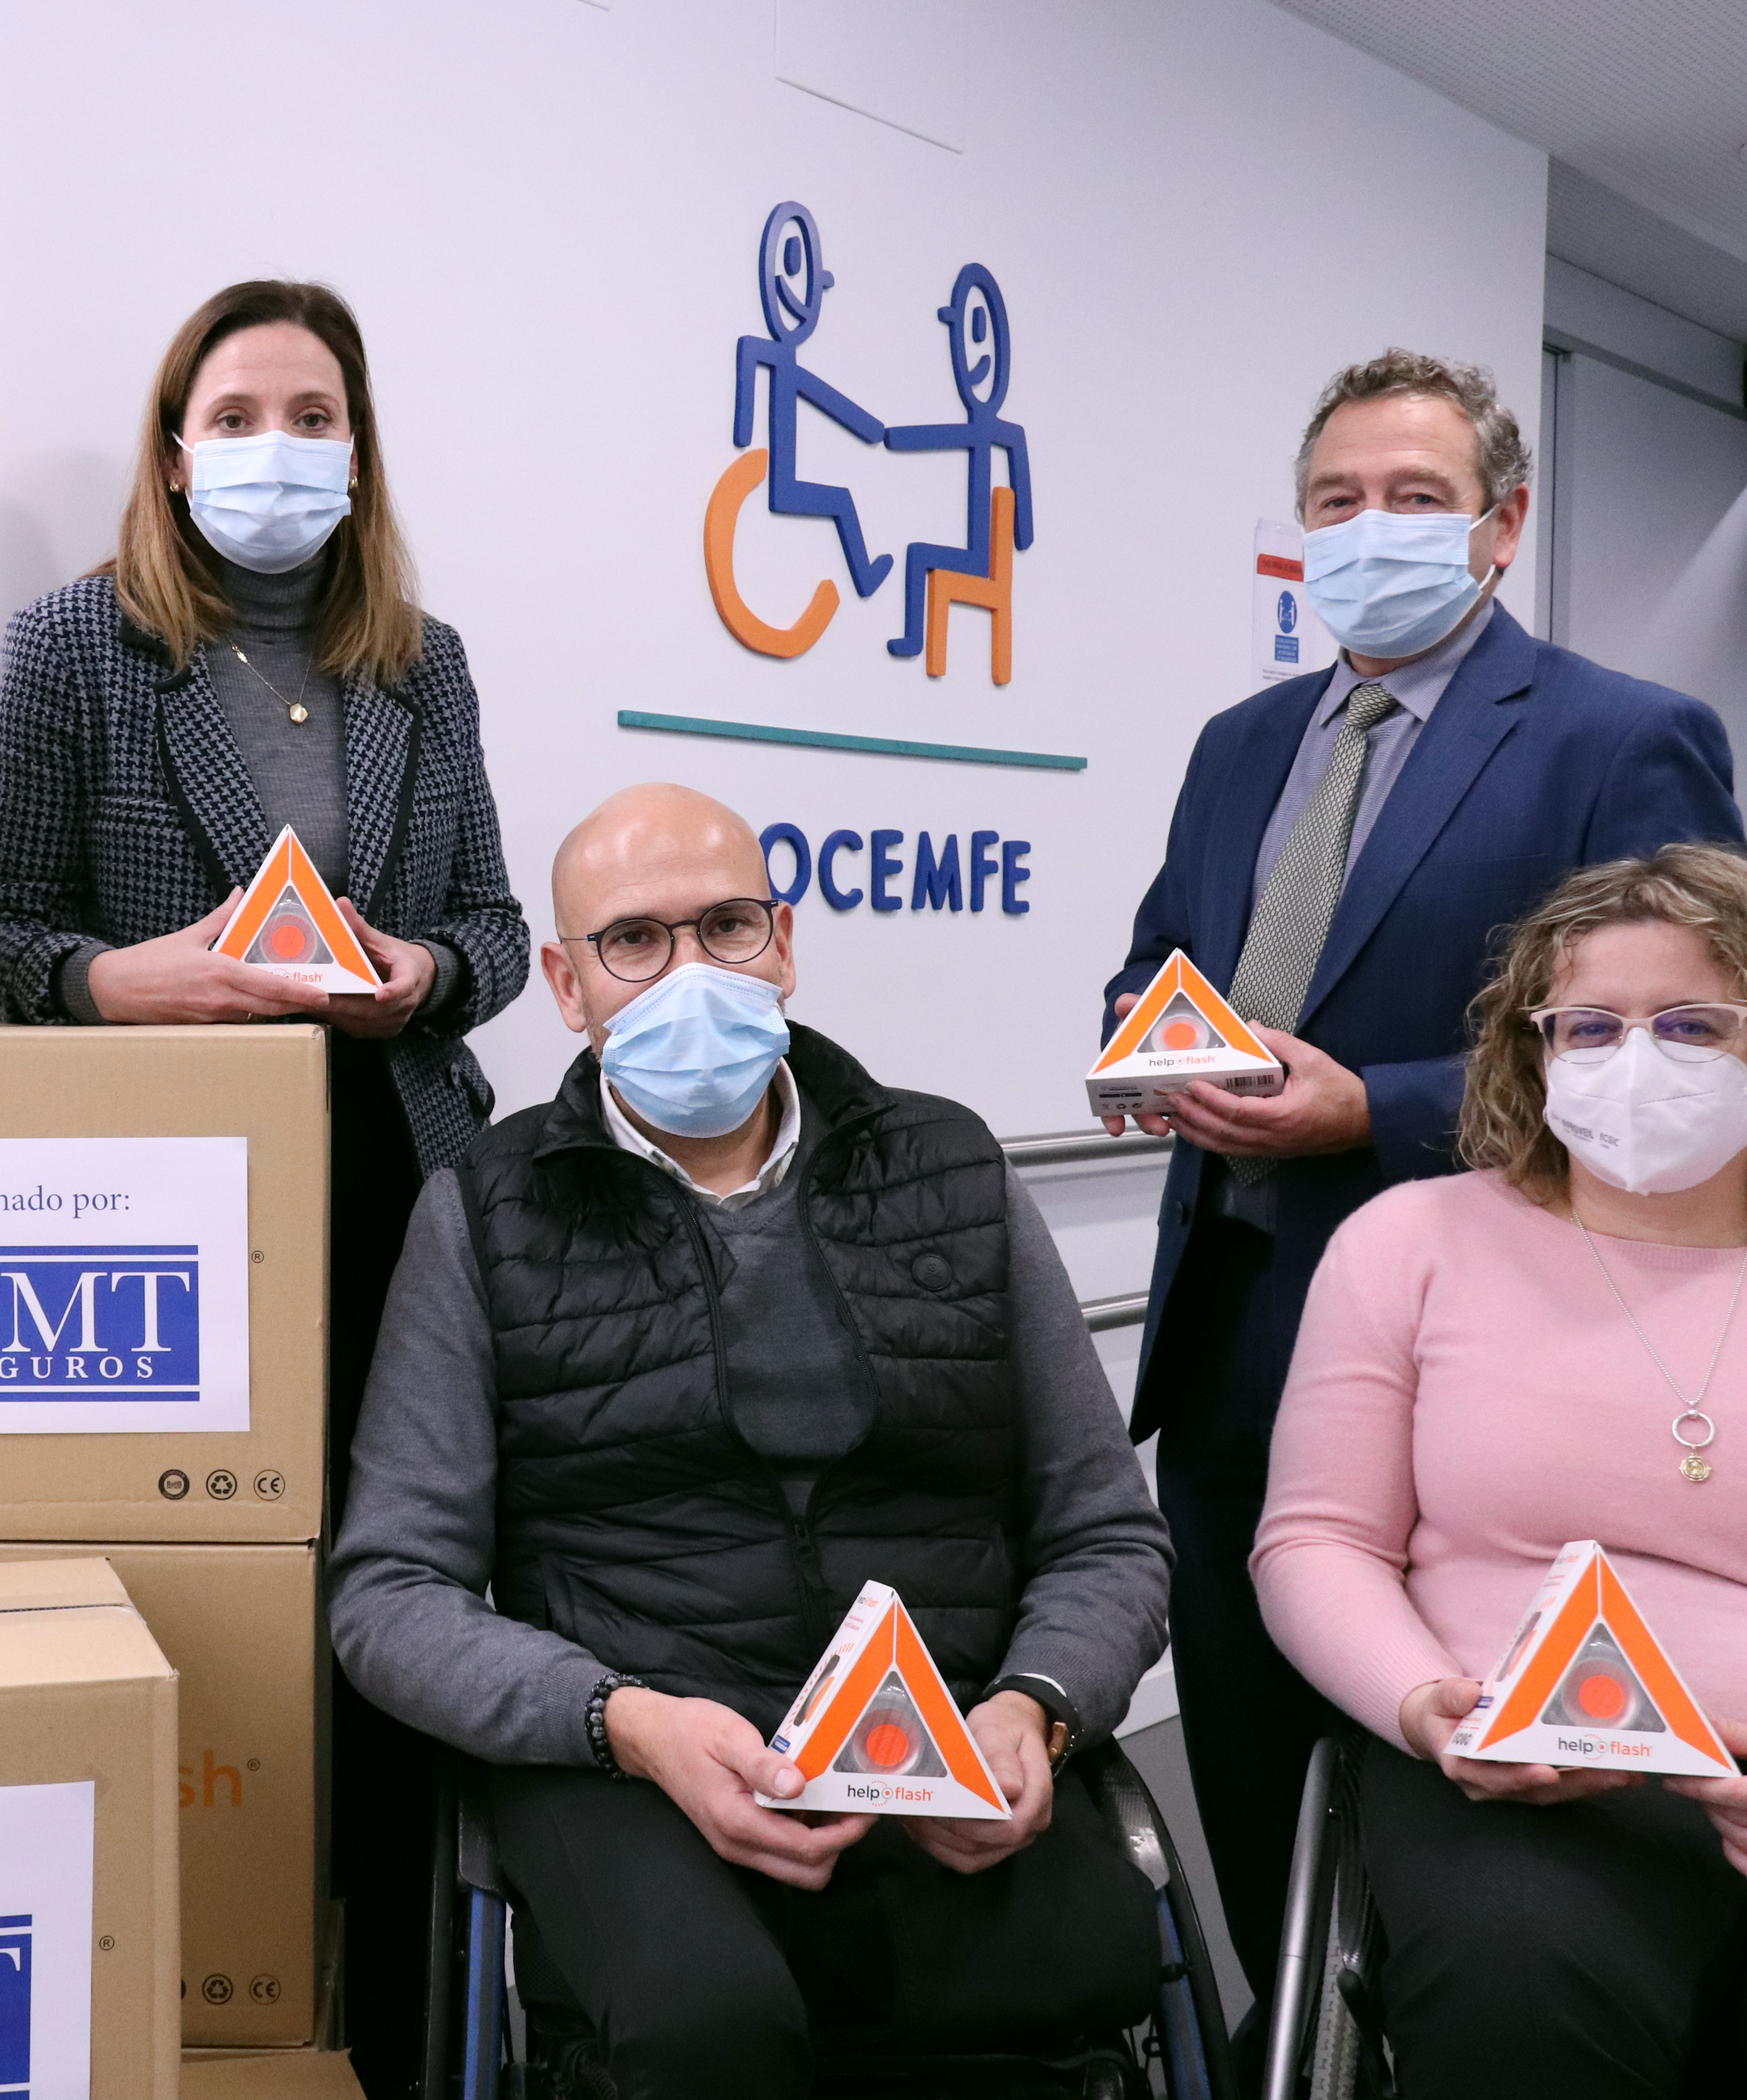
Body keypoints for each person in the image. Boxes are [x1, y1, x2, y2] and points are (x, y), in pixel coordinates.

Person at [333, 783, 1173, 2099]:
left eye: (726, 925)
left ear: (783, 942)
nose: (690, 972)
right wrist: (625, 1721)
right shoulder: (484, 1212)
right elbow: (389, 1591)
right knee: (704, 2023)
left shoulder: (953, 1167)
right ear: (565, 982)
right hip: (634, 1760)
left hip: (939, 1741)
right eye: (634, 939)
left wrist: (1037, 1706)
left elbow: (1106, 1530)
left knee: (1078, 1970)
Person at [1102, 349, 1744, 1996]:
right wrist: (1142, 1047)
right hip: (1232, 1333)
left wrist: (1376, 1111)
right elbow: (1164, 960)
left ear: (1501, 525)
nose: (1367, 527)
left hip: (1487, 1355)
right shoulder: (1242, 744)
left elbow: (1687, 1045)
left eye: (1413, 497)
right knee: (1252, 1768)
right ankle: (1292, 2039)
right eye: (1337, 501)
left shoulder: (1622, 739)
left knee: (1469, 1798)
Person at [0, 279, 528, 2097]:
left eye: (311, 416)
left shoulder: (422, 661)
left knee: (400, 1595)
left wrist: (425, 972)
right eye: (236, 416)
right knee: (212, 1599)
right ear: (174, 444)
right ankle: (211, 2000)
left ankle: (401, 2034)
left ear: (358, 452)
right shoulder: (75, 648)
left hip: (398, 1183)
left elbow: (498, 926)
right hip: (166, 1204)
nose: (274, 448)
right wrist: (133, 979)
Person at [1255, 846, 1747, 2094]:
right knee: (1522, 2002)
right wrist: (1425, 1703)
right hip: (1532, 1784)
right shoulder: (1409, 1245)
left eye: (1691, 1024)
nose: (1636, 1058)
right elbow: (1316, 1540)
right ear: (1537, 1055)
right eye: (1591, 1026)